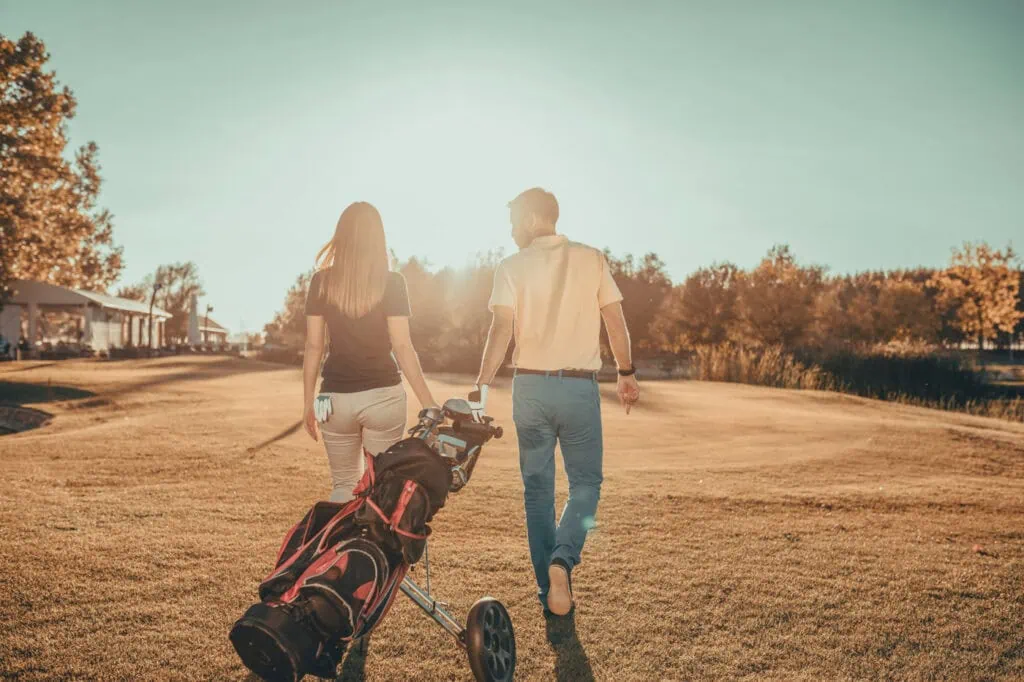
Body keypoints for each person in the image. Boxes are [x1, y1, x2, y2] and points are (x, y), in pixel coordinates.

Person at [474, 187, 640, 617]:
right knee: (586, 484)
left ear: (531, 219)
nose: (511, 231)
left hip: (529, 391)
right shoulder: (592, 258)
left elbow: (500, 332)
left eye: (513, 221)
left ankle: (548, 588)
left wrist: (482, 382)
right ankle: (561, 561)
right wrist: (625, 373)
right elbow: (616, 323)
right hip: (577, 390)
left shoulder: (510, 266)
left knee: (537, 493)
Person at [302, 201, 439, 502]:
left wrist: (308, 404)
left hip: (329, 400)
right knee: (380, 491)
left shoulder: (320, 281)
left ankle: (342, 550)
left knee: (342, 486)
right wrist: (428, 403)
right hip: (383, 397)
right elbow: (403, 346)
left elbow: (314, 346)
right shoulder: (393, 282)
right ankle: (374, 549)